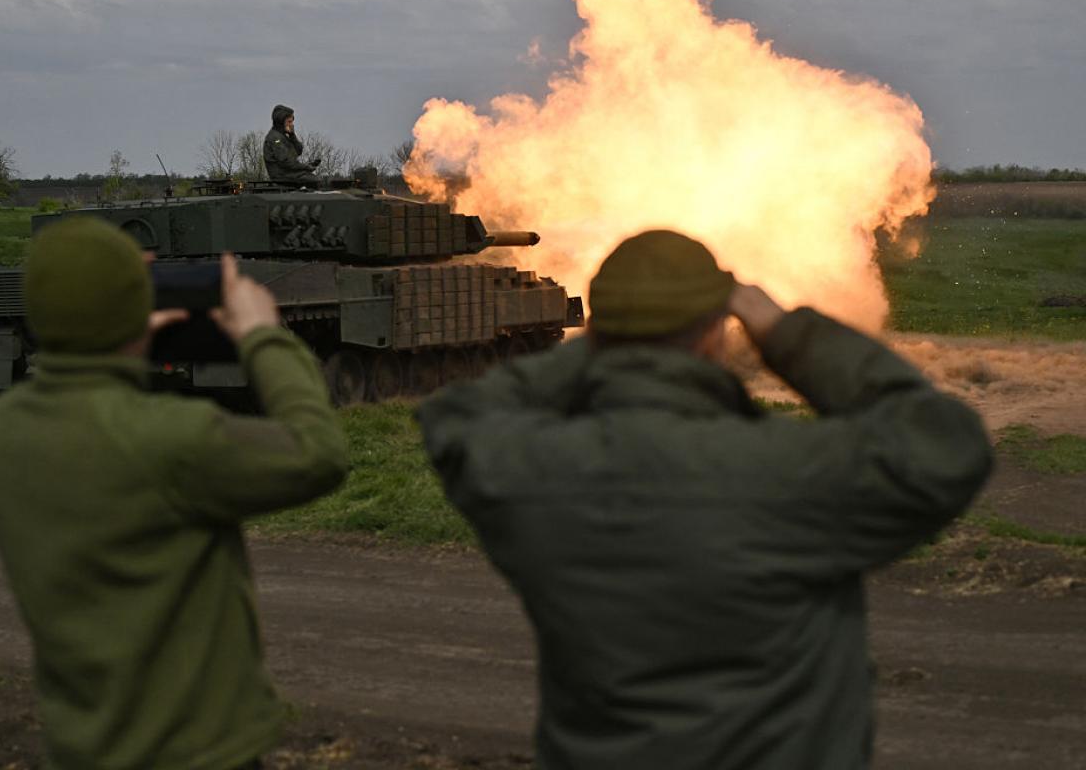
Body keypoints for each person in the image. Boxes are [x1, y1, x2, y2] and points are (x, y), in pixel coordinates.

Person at [417, 229, 993, 769]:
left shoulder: (534, 475)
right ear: (717, 328)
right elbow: (944, 442)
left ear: (597, 333)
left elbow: (457, 416)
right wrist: (783, 331)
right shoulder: (788, 471)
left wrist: (610, 341)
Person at [0, 217, 348, 770]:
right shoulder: (170, 439)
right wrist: (263, 337)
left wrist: (123, 340)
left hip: (84, 745)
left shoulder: (3, 433)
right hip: (194, 749)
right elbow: (319, 452)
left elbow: (96, 407)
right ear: (128, 313)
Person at [263, 104, 320, 187]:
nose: (291, 124)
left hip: (288, 173)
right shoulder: (275, 138)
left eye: (292, 122)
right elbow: (286, 162)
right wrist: (305, 167)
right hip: (281, 175)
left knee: (312, 178)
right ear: (280, 122)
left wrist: (292, 136)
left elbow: (298, 151)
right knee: (314, 180)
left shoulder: (283, 136)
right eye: (289, 122)